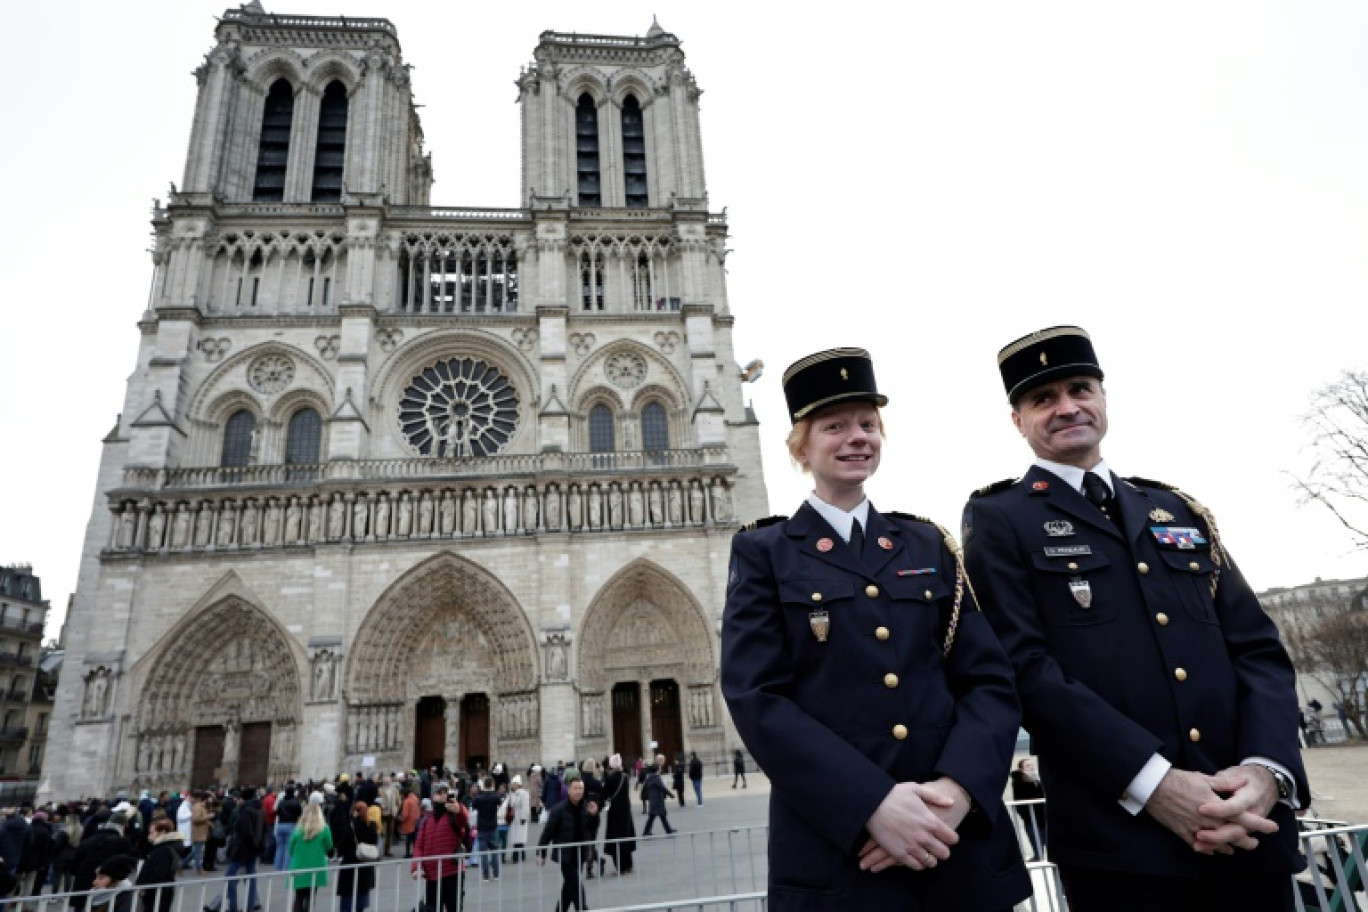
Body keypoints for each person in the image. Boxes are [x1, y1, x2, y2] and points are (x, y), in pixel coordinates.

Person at [961, 325, 1309, 912]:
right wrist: (1154, 785)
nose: (1067, 407)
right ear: (1017, 420)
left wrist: (1265, 774)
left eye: (1080, 388)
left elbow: (1257, 650)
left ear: (1102, 397)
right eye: (1043, 399)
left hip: (1249, 829)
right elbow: (1025, 669)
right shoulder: (1000, 519)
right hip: (1124, 847)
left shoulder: (1176, 509)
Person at [721, 347, 1031, 911]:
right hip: (843, 858)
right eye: (834, 426)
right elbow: (756, 697)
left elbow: (988, 681)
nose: (856, 437)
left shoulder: (928, 543)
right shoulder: (764, 551)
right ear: (802, 449)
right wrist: (872, 806)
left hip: (954, 844)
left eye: (867, 424)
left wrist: (957, 792)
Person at [537, 771, 598, 912]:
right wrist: (542, 852)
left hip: (580, 854)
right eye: (575, 788)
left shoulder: (586, 807)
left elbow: (592, 829)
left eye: (580, 789)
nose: (578, 791)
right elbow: (548, 832)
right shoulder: (559, 810)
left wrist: (594, 816)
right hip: (565, 856)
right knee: (577, 889)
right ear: (569, 790)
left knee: (568, 889)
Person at [410, 784, 471, 912]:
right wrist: (417, 866)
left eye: (445, 792)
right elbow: (419, 846)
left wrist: (459, 808)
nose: (443, 795)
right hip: (432, 874)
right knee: (432, 908)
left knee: (453, 908)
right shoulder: (426, 820)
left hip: (452, 872)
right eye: (439, 792)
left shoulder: (453, 814)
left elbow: (464, 818)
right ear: (433, 796)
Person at [224, 789, 265, 912]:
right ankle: (250, 905)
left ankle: (233, 906)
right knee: (251, 878)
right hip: (254, 849)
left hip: (242, 849)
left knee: (230, 877)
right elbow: (264, 830)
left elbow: (244, 831)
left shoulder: (246, 811)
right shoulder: (260, 810)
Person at [287, 802, 332, 912]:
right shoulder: (324, 829)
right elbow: (329, 847)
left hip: (299, 865)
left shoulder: (298, 829)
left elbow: (290, 848)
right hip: (316, 866)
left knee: (298, 897)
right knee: (311, 897)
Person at [334, 800, 377, 912]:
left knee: (347, 902)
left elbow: (341, 847)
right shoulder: (372, 826)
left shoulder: (350, 827)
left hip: (350, 865)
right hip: (366, 865)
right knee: (361, 902)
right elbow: (375, 841)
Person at [135, 818, 182, 912]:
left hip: (156, 892)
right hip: (160, 890)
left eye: (152, 832)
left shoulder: (163, 850)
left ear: (162, 832)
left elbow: (158, 873)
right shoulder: (163, 847)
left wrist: (144, 886)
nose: (149, 835)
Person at [600, 755, 636, 875]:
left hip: (614, 812)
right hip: (625, 811)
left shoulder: (610, 779)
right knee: (626, 837)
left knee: (616, 838)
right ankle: (629, 864)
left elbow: (604, 795)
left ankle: (621, 867)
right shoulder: (625, 777)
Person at [1009, 758, 1046, 862]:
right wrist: (1026, 816)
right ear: (1021, 769)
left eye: (1032, 765)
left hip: (1044, 818)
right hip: (1032, 818)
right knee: (1038, 848)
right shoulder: (1019, 781)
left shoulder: (1038, 780)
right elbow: (1019, 801)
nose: (1031, 767)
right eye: (1028, 765)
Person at [639, 754, 675, 837]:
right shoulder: (655, 777)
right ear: (657, 770)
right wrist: (671, 795)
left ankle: (668, 830)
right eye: (659, 769)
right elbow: (662, 788)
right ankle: (647, 832)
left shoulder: (650, 777)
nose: (660, 769)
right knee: (655, 816)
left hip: (654, 799)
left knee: (661, 816)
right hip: (657, 799)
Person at [506, 776, 530, 864]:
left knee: (520, 837)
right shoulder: (512, 794)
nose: (512, 785)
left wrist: (524, 817)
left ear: (517, 784)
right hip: (514, 818)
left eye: (513, 784)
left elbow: (525, 806)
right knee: (515, 837)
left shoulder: (523, 793)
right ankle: (518, 854)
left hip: (520, 818)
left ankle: (519, 855)